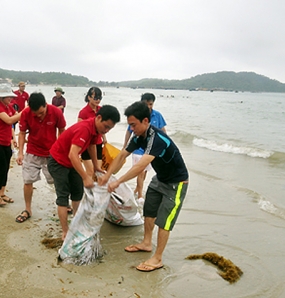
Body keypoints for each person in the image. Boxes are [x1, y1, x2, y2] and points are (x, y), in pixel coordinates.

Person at [98, 101, 188, 272]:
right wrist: (108, 175)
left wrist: (118, 182)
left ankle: (157, 258)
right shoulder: (138, 136)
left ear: (145, 121)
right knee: (149, 210)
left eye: (133, 125)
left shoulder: (157, 138)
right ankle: (147, 243)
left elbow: (140, 166)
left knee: (164, 221)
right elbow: (123, 154)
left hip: (176, 183)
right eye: (129, 125)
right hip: (160, 179)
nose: (131, 129)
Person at [48, 105, 120, 240]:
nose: (106, 131)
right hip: (58, 162)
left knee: (77, 193)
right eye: (106, 126)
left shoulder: (96, 129)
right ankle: (65, 231)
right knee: (63, 197)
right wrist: (86, 176)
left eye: (110, 129)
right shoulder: (84, 128)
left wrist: (95, 166)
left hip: (71, 162)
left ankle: (76, 222)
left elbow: (92, 146)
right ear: (98, 118)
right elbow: (73, 155)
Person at [15, 92, 66, 223]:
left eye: (41, 113)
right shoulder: (26, 113)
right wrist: (20, 153)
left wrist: (62, 151)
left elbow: (62, 131)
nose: (39, 116)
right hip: (32, 152)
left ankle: (65, 204)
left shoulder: (56, 112)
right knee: (27, 181)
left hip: (52, 153)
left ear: (45, 105)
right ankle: (27, 209)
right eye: (36, 114)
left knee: (58, 181)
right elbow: (21, 133)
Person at [123, 93, 167, 202]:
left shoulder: (157, 115)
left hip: (151, 150)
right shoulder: (136, 116)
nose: (148, 107)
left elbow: (162, 131)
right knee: (140, 171)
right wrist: (124, 147)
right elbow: (129, 131)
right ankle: (140, 196)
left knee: (145, 172)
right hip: (138, 148)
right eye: (145, 104)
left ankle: (136, 191)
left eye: (150, 104)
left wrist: (167, 145)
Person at [0, 84, 22, 207]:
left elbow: (12, 121)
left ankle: (2, 193)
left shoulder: (8, 107)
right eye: (8, 97)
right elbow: (9, 120)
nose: (11, 99)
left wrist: (14, 138)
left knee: (6, 168)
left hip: (6, 142)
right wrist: (25, 112)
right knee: (1, 169)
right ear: (1, 97)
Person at [78, 87, 106, 177]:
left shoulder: (101, 110)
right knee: (90, 172)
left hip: (98, 143)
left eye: (99, 98)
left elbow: (103, 126)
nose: (97, 100)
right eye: (95, 98)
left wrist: (104, 138)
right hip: (87, 145)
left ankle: (94, 190)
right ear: (89, 97)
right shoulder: (83, 112)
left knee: (98, 172)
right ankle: (84, 189)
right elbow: (80, 130)